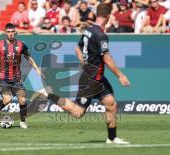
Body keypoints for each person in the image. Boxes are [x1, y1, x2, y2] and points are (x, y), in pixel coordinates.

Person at [33, 3, 131, 144]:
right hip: (90, 80)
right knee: (77, 113)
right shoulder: (100, 34)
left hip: (98, 78)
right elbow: (107, 58)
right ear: (108, 16)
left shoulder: (88, 30)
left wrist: (85, 64)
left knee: (111, 103)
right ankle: (49, 93)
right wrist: (120, 75)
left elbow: (77, 49)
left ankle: (112, 138)